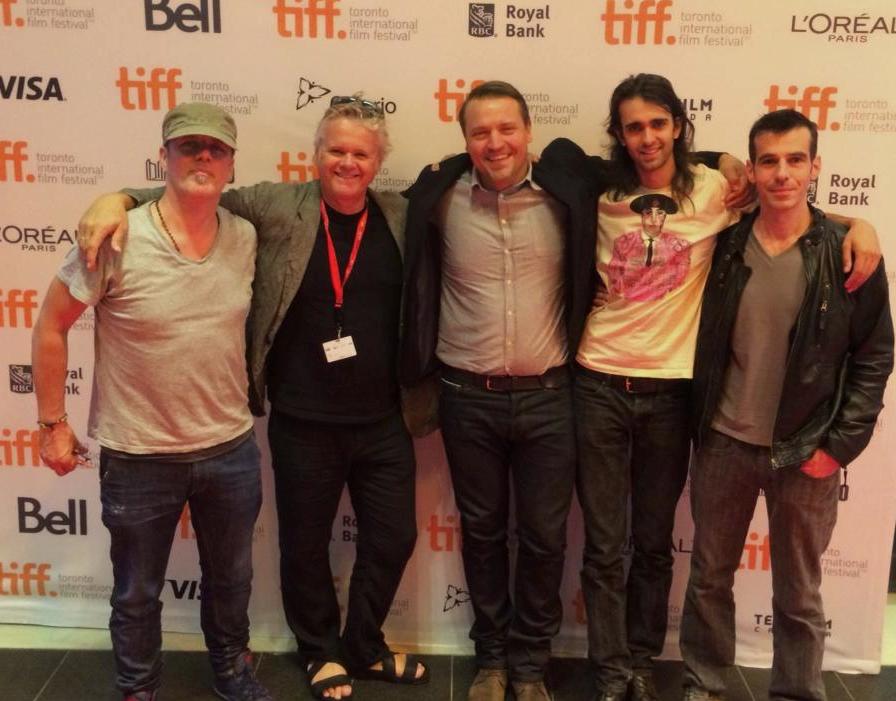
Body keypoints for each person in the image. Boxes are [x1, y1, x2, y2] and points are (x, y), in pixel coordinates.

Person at [75, 96, 428, 700]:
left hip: (383, 419)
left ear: (378, 162)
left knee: (394, 536)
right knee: (304, 544)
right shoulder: (276, 204)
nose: (347, 162)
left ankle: (365, 645)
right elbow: (191, 190)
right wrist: (116, 199)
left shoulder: (400, 215)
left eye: (360, 153)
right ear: (316, 156)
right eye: (336, 150)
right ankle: (319, 650)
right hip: (302, 419)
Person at [543, 74, 881, 701]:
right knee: (604, 544)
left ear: (678, 124)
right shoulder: (597, 189)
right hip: (598, 384)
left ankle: (643, 663)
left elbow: (789, 204)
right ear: (618, 133)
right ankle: (611, 672)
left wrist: (858, 222)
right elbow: (554, 153)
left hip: (674, 393)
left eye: (658, 123)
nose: (647, 137)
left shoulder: (714, 191)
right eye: (633, 126)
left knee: (652, 544)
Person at [32, 102, 272, 701]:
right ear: (163, 156)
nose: (202, 157)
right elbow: (50, 326)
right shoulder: (117, 236)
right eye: (188, 146)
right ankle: (138, 689)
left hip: (230, 449)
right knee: (137, 591)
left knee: (233, 580)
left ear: (232, 164)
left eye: (215, 149)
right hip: (139, 455)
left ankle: (233, 673)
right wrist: (51, 424)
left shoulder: (245, 237)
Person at [680, 109, 893, 701]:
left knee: (799, 593)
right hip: (723, 441)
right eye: (768, 161)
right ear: (752, 168)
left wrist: (837, 448)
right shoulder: (722, 245)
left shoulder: (849, 254)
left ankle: (797, 692)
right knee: (708, 580)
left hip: (806, 452)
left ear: (815, 167)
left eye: (795, 160)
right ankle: (705, 688)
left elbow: (874, 359)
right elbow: (676, 162)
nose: (781, 173)